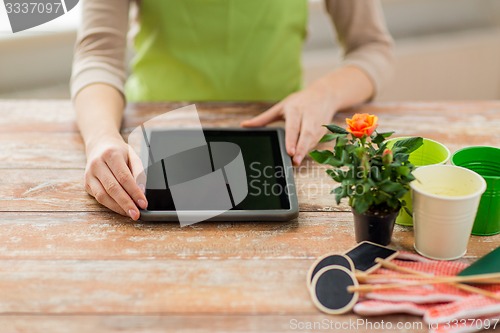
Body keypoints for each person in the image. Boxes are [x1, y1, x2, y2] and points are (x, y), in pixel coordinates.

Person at [71, 0, 394, 220]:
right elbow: (98, 55)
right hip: (152, 138)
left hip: (280, 141)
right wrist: (101, 137)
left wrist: (324, 94)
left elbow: (371, 48)